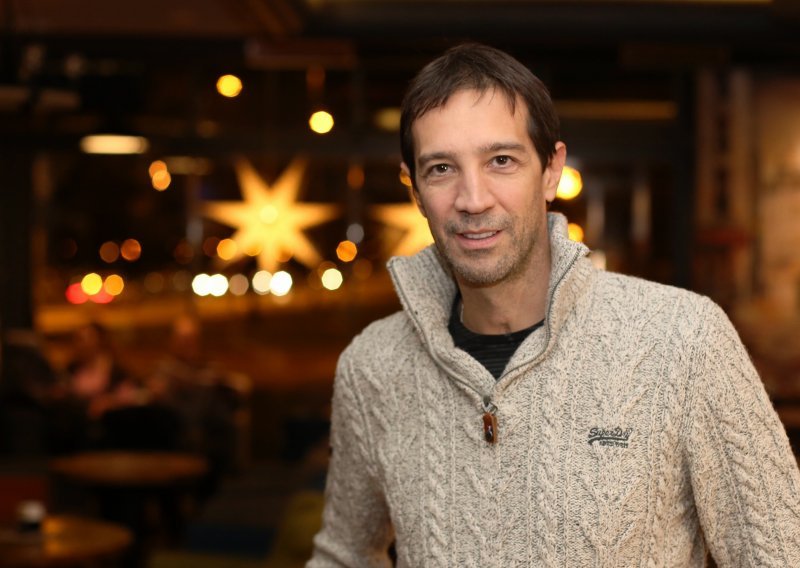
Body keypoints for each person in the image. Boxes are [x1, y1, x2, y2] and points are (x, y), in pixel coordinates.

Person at [307, 43, 800, 566]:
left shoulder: (684, 339)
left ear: (550, 171)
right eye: (442, 168)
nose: (473, 199)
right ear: (415, 189)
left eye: (501, 161)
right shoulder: (372, 367)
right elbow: (344, 555)